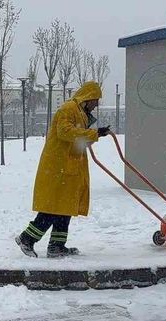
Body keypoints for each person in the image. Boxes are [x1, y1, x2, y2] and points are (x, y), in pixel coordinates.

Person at [15, 80, 111, 258]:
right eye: (95, 100)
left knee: (66, 206)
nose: (96, 105)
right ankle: (26, 238)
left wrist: (96, 134)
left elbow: (76, 139)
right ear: (88, 97)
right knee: (53, 207)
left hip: (69, 166)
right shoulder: (68, 109)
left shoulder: (80, 113)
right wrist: (94, 133)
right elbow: (64, 132)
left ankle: (57, 246)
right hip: (58, 167)